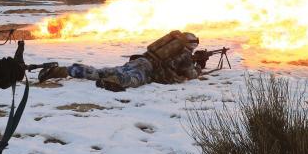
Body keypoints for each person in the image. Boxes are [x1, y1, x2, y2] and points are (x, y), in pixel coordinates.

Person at [38, 30, 203, 91]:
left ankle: (65, 70)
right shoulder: (185, 55)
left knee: (102, 71)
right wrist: (200, 67)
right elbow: (190, 73)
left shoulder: (169, 47)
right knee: (133, 80)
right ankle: (114, 81)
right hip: (147, 69)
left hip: (139, 60)